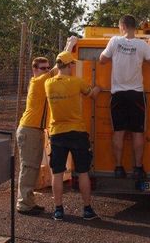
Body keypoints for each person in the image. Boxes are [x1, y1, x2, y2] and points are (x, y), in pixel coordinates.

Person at [15, 36, 78, 215]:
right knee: (29, 167)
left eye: (46, 67)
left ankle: (28, 201)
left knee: (33, 167)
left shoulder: (45, 82)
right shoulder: (38, 81)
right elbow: (58, 67)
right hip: (29, 129)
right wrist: (69, 46)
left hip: (35, 130)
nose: (46, 70)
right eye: (42, 68)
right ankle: (24, 204)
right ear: (34, 69)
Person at [99, 14, 150, 180]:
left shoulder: (114, 41)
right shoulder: (142, 45)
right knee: (137, 132)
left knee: (118, 132)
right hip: (136, 94)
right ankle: (138, 168)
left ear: (122, 27)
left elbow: (102, 60)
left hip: (118, 94)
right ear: (135, 28)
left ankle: (119, 167)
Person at [45, 47, 101, 221]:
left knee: (58, 173)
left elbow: (55, 72)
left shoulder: (48, 83)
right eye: (72, 65)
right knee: (83, 172)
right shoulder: (77, 82)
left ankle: (58, 209)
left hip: (57, 133)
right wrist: (99, 87)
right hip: (77, 132)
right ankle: (87, 209)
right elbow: (91, 94)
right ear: (69, 65)